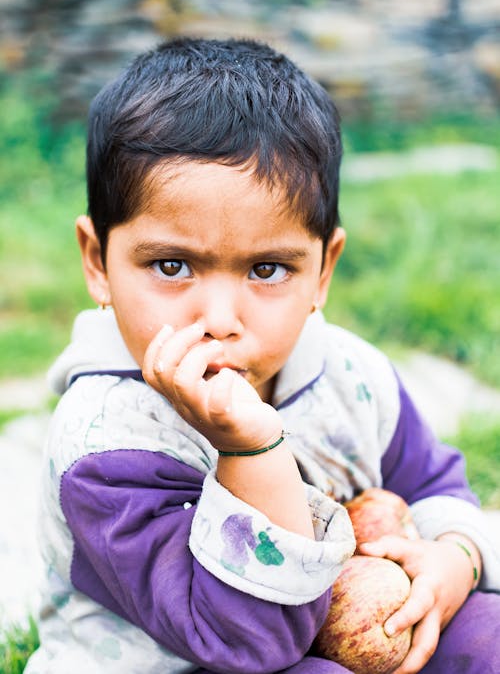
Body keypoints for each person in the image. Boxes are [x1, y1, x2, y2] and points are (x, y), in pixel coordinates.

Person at [26, 38, 499, 674]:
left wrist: (454, 559)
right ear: (97, 262)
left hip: (336, 629)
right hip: (191, 659)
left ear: (324, 269)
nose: (219, 320)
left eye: (268, 269)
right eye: (172, 265)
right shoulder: (108, 448)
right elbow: (247, 644)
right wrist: (251, 452)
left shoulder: (351, 378)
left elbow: (435, 484)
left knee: (484, 631)